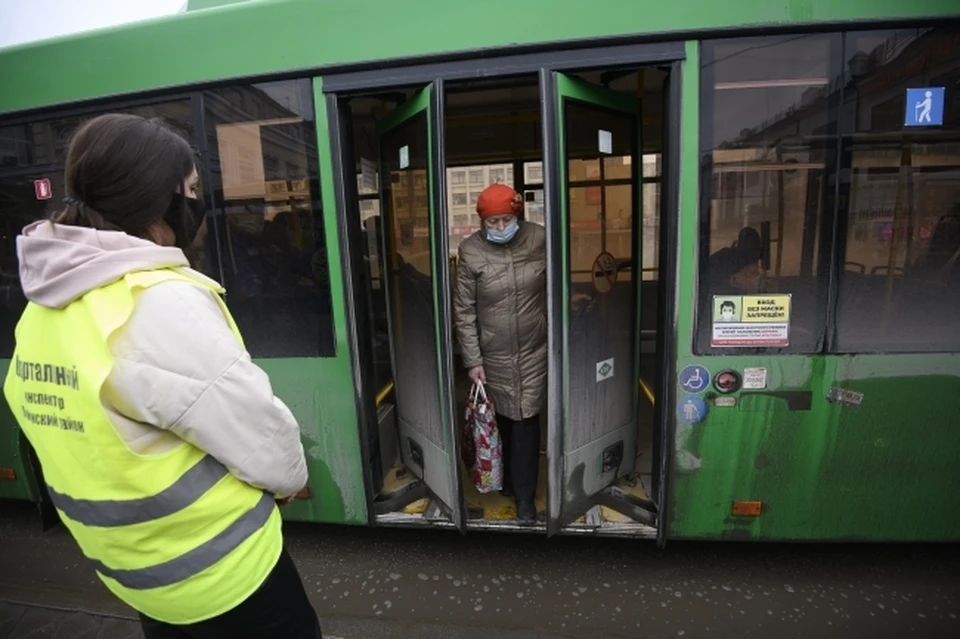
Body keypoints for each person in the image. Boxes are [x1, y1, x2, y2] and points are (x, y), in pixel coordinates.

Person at [2, 114, 322, 639]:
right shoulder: (154, 300)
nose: (199, 203)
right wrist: (289, 482)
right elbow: (261, 436)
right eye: (192, 189)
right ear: (158, 198)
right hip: (227, 578)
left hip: (139, 579)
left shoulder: (43, 308)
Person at [453, 183, 546, 524]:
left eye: (506, 220)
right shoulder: (470, 251)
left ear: (516, 215)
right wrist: (473, 360)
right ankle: (505, 481)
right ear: (482, 222)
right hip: (491, 353)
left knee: (525, 419)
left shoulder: (539, 239)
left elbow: (556, 284)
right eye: (492, 223)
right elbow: (464, 310)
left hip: (535, 349)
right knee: (501, 418)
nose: (500, 228)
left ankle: (525, 498)